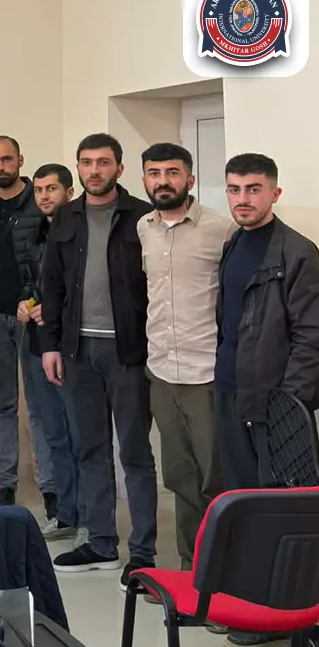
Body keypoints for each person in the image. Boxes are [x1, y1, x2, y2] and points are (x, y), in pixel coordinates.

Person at [40, 133, 158, 586]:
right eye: (86, 162)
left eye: (103, 162)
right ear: (78, 167)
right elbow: (52, 285)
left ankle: (142, 553)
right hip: (76, 350)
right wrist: (50, 345)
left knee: (134, 451)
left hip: (128, 350)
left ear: (119, 169)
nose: (94, 170)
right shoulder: (66, 215)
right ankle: (101, 543)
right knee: (89, 448)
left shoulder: (142, 216)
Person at [215, 155, 319, 646]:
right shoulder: (233, 244)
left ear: (274, 193)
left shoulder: (298, 253)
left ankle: (283, 614)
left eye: (253, 189)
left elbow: (311, 338)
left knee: (278, 511)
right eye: (234, 189)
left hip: (275, 403)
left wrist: (289, 407)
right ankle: (249, 605)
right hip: (229, 392)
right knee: (242, 503)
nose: (243, 199)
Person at [136, 143, 233, 572]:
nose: (163, 181)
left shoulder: (221, 229)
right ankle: (192, 570)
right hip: (161, 371)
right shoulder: (143, 228)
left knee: (215, 479)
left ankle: (224, 574)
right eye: (154, 173)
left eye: (172, 172)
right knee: (179, 477)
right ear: (144, 179)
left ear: (189, 179)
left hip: (206, 373)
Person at [0, 135, 55, 513]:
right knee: (4, 404)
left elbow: (50, 262)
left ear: (20, 160)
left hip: (31, 317)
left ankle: (50, 487)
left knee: (40, 405)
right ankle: (6, 484)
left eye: (6, 159)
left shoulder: (40, 201)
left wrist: (35, 300)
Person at [19, 163, 83, 543]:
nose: (44, 196)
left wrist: (54, 309)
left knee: (80, 435)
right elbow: (29, 284)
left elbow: (86, 289)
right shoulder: (34, 234)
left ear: (69, 192)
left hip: (70, 347)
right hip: (37, 345)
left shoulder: (82, 232)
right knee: (54, 434)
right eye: (39, 190)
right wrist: (25, 303)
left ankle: (90, 519)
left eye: (52, 189)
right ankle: (64, 514)